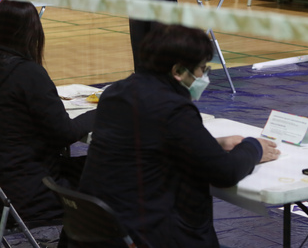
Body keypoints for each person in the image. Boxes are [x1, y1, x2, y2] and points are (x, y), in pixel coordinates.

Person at [77, 24, 280, 248]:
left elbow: (148, 145)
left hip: (100, 225)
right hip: (146, 232)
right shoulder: (171, 107)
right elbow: (225, 172)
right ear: (178, 71)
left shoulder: (117, 91)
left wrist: (213, 144)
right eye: (202, 68)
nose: (204, 75)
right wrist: (254, 148)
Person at [0, 0, 95, 222]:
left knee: (96, 166)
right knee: (114, 175)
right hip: (31, 194)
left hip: (0, 189)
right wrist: (99, 114)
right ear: (31, 32)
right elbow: (64, 132)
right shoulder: (29, 74)